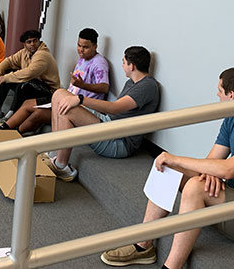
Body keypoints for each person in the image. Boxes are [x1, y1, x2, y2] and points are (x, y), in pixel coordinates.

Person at [100, 66, 234, 269]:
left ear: (232, 95)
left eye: (219, 91)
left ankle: (171, 267)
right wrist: (179, 164)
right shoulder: (232, 119)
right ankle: (143, 246)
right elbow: (212, 163)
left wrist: (177, 159)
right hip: (233, 198)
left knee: (193, 185)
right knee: (170, 169)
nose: (217, 95)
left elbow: (227, 169)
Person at [43, 46, 159, 181]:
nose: (122, 65)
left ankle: (61, 166)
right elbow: (113, 112)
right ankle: (55, 151)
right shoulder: (131, 83)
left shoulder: (147, 86)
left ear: (131, 66)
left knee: (68, 110)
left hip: (119, 140)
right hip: (109, 124)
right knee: (59, 94)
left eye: (123, 62)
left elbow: (115, 108)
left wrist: (80, 99)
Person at [0, 28, 109, 140]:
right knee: (27, 103)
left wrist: (83, 86)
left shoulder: (99, 63)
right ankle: (1, 129)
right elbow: (10, 61)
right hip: (67, 100)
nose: (81, 50)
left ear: (95, 46)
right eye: (79, 45)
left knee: (35, 108)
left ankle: (7, 135)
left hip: (78, 106)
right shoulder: (83, 59)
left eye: (85, 47)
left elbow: (104, 87)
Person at [0, 30, 61, 120]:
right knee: (6, 71)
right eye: (29, 42)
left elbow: (29, 73)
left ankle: (12, 115)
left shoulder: (43, 55)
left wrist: (6, 78)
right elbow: (9, 61)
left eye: (35, 40)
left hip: (48, 91)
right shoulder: (24, 52)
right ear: (24, 44)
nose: (32, 44)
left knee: (24, 84)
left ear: (39, 41)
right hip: (34, 83)